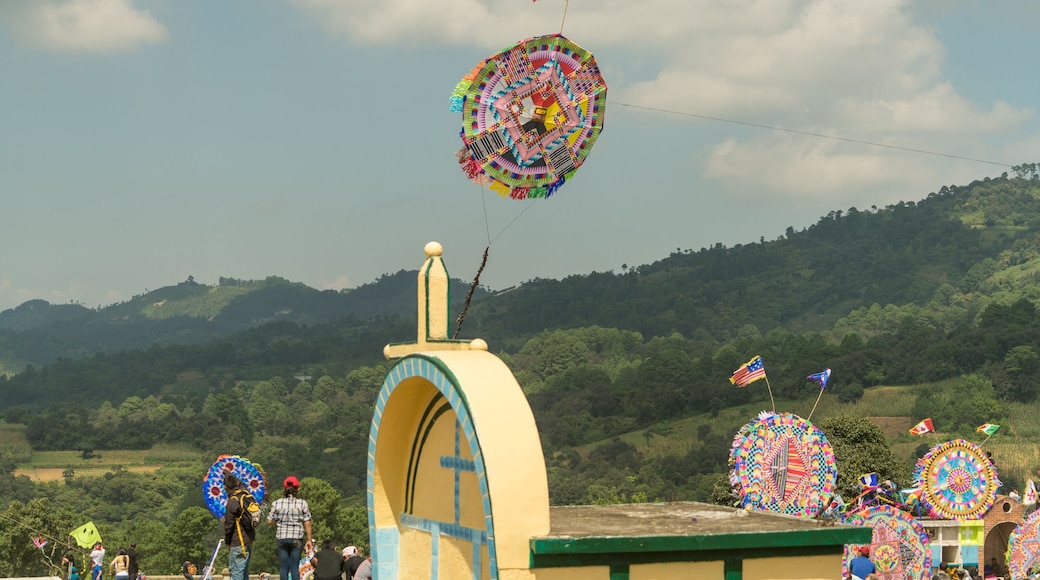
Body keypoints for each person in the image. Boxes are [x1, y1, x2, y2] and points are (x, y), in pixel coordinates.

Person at [267, 475, 313, 580]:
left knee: (284, 566)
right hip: (297, 537)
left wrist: (279, 522)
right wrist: (309, 540)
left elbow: (269, 521)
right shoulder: (302, 503)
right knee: (294, 566)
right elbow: (307, 522)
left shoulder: (277, 503)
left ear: (284, 489)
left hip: (281, 537)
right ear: (298, 489)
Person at [223, 473, 255, 580]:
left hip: (238, 542)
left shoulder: (232, 502)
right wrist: (229, 474)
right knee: (244, 572)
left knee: (236, 572)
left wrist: (228, 542)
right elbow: (241, 483)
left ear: (225, 487)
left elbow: (229, 526)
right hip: (249, 540)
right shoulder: (244, 493)